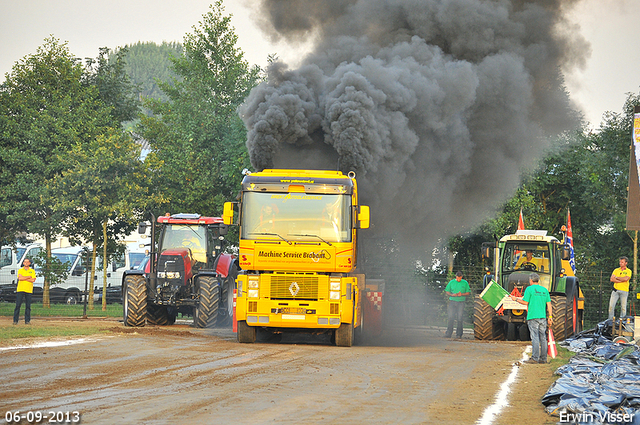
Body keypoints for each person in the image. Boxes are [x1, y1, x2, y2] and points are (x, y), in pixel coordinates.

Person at [510, 273, 553, 364]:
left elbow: (525, 302)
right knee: (543, 338)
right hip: (542, 318)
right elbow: (549, 304)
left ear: (530, 280)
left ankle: (535, 358)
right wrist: (550, 317)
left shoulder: (529, 289)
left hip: (533, 317)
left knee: (535, 337)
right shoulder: (545, 290)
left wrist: (516, 299)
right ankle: (543, 359)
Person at [444, 271, 471, 339]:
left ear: (461, 277)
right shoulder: (451, 282)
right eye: (457, 277)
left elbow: (468, 292)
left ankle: (459, 334)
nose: (459, 279)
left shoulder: (465, 283)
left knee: (460, 318)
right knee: (450, 317)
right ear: (456, 277)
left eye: (460, 278)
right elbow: (447, 291)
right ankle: (448, 333)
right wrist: (452, 295)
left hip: (461, 302)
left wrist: (461, 294)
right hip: (452, 301)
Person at [14, 258, 36, 325]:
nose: (26, 263)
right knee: (18, 305)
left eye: (27, 262)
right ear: (23, 263)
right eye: (25, 262)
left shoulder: (32, 271)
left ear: (29, 263)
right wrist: (28, 277)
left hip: (28, 290)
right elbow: (20, 278)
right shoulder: (20, 270)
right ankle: (15, 320)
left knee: (28, 306)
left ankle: (27, 321)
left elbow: (33, 280)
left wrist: (24, 277)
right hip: (20, 289)